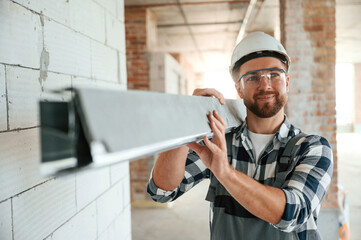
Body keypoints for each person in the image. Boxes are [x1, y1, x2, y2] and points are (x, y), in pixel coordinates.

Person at [147, 32, 333, 240]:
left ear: (287, 82)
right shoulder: (219, 141)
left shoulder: (312, 148)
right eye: (253, 77)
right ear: (239, 89)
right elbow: (161, 192)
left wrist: (224, 172)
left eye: (274, 74)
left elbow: (293, 214)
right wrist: (186, 121)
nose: (265, 85)